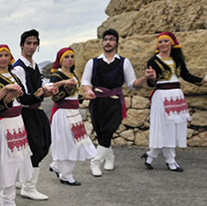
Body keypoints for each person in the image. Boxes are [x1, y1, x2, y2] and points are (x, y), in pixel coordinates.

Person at [80, 28, 156, 176]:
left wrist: (145, 78)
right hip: (97, 102)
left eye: (111, 39)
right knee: (101, 133)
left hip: (115, 102)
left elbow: (131, 83)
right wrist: (88, 90)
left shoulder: (124, 62)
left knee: (108, 131)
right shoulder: (93, 62)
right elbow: (85, 81)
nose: (108, 42)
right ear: (102, 42)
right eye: (106, 39)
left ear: (116, 42)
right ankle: (110, 158)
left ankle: (95, 162)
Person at [142, 31, 205, 171]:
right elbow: (151, 84)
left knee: (173, 128)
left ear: (172, 43)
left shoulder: (177, 60)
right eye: (160, 41)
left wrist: (202, 80)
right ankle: (170, 160)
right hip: (162, 96)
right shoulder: (153, 61)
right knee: (164, 128)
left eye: (166, 41)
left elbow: (186, 76)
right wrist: (151, 78)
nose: (163, 44)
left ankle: (151, 155)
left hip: (176, 96)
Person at [11, 29, 57, 201]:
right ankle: (28, 186)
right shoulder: (19, 69)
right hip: (25, 112)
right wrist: (40, 92)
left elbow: (35, 92)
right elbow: (23, 96)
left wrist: (46, 92)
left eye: (34, 43)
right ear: (21, 45)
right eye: (28, 43)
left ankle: (21, 180)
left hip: (36, 109)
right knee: (36, 147)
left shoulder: (34, 66)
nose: (31, 46)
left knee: (45, 144)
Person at [0, 44, 30, 206]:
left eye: (6, 55)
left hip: (17, 120)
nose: (3, 58)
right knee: (7, 159)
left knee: (17, 157)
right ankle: (7, 199)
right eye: (0, 55)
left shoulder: (13, 74)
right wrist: (8, 93)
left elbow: (23, 96)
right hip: (4, 121)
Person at [48, 48, 97, 185]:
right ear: (60, 60)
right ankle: (66, 175)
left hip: (73, 113)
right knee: (68, 143)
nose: (69, 59)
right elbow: (55, 96)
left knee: (72, 142)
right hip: (63, 112)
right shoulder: (57, 76)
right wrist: (64, 84)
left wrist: (84, 96)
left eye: (71, 57)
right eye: (66, 57)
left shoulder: (72, 74)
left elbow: (73, 94)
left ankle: (58, 166)